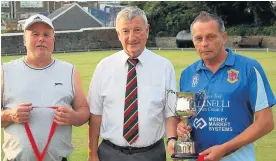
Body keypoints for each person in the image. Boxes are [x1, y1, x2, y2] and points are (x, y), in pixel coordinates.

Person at [174, 11, 275, 161]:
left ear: (224, 37)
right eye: (198, 38)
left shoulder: (249, 68)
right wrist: (181, 128)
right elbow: (184, 117)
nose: (204, 44)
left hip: (237, 157)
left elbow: (265, 122)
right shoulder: (187, 74)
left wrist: (224, 148)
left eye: (211, 37)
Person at [87, 6, 178, 161]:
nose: (131, 37)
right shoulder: (104, 67)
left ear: (147, 30)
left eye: (137, 30)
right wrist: (92, 154)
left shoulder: (164, 67)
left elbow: (170, 112)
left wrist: (172, 140)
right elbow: (95, 115)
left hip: (151, 154)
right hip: (110, 154)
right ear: (118, 34)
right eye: (125, 31)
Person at [1, 14, 90, 161]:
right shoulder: (5, 71)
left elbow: (84, 112)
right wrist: (10, 115)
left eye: (46, 34)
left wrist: (73, 117)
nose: (41, 38)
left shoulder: (70, 71)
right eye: (35, 34)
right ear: (24, 39)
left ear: (53, 40)